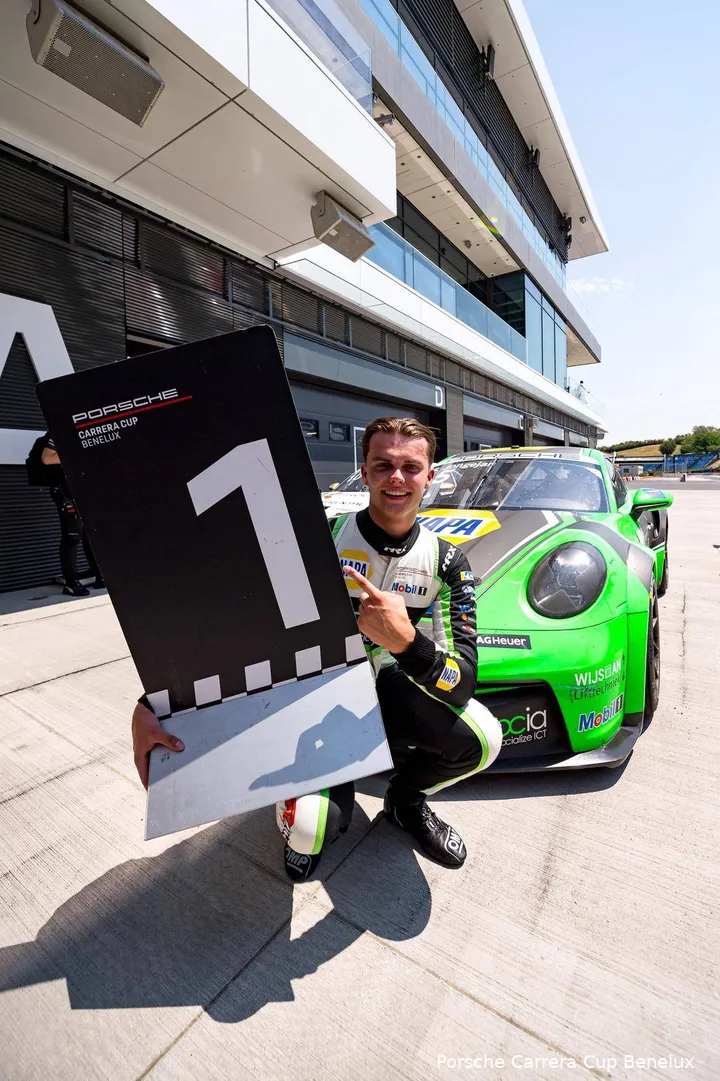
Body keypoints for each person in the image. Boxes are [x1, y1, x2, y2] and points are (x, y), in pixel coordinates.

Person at [131, 417, 502, 878]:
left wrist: (407, 645)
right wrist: (153, 701)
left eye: (411, 467)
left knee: (484, 740)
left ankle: (405, 801)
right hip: (311, 692)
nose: (397, 478)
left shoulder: (447, 561)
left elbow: (461, 681)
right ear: (364, 473)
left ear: (431, 475)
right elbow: (236, 620)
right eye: (383, 465)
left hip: (385, 684)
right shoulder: (319, 536)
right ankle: (306, 805)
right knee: (309, 828)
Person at [41, 434, 104, 597]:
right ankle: (71, 583)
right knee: (72, 536)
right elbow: (47, 458)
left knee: (89, 535)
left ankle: (100, 576)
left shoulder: (82, 429)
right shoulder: (58, 429)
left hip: (81, 490)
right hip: (65, 491)